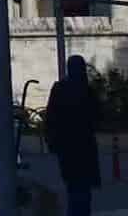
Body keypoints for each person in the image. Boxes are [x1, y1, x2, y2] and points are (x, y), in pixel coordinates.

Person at [44, 55, 101, 216]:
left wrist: (51, 140)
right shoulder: (87, 90)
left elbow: (51, 116)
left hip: (66, 146)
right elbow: (97, 116)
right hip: (85, 145)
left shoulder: (59, 89)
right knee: (83, 189)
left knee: (73, 187)